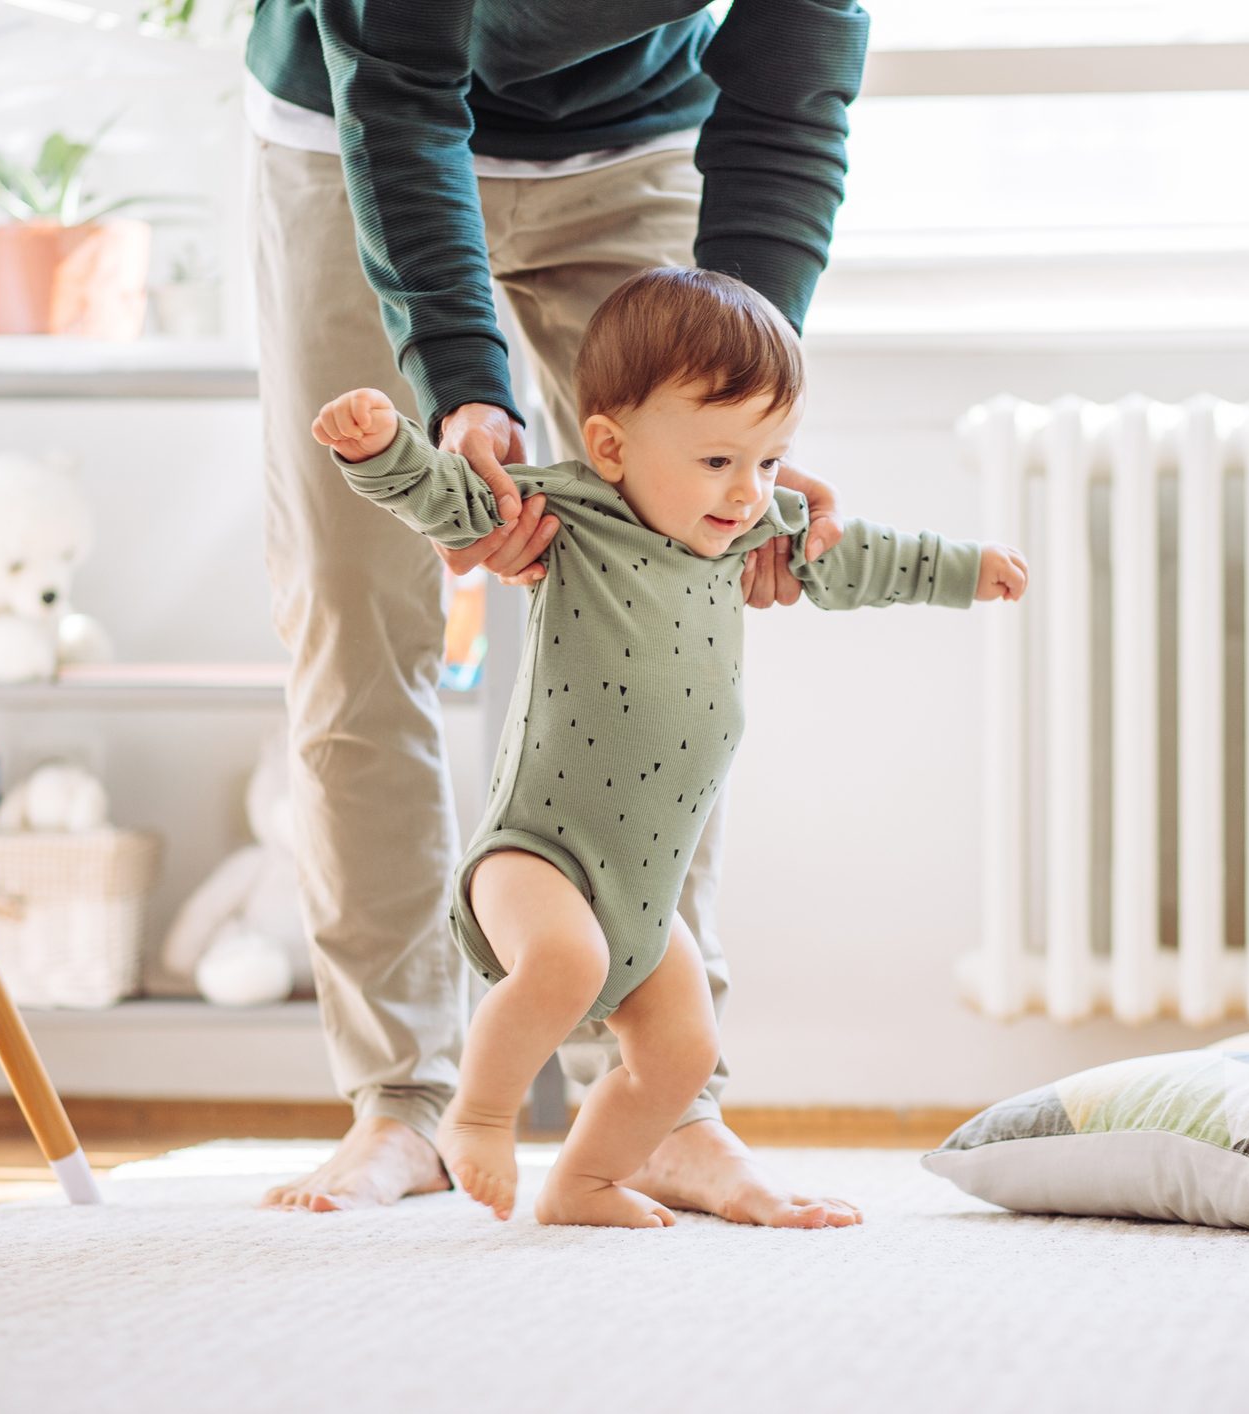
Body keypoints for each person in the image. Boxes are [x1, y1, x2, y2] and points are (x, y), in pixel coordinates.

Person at [245, 1, 877, 1223]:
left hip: (633, 139)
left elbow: (792, 100)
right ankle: (401, 1103)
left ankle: (664, 1110)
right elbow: (399, 89)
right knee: (352, 620)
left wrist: (740, 427)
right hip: (356, 127)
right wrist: (459, 385)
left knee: (669, 617)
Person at [315, 269, 1028, 1225]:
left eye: (770, 462)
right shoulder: (570, 514)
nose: (748, 492)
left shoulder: (748, 533)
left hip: (645, 894)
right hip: (537, 856)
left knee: (682, 1054)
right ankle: (475, 1118)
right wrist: (380, 449)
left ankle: (586, 1182)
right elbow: (452, 499)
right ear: (610, 446)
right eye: (719, 460)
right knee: (564, 965)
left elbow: (857, 558)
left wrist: (966, 570)